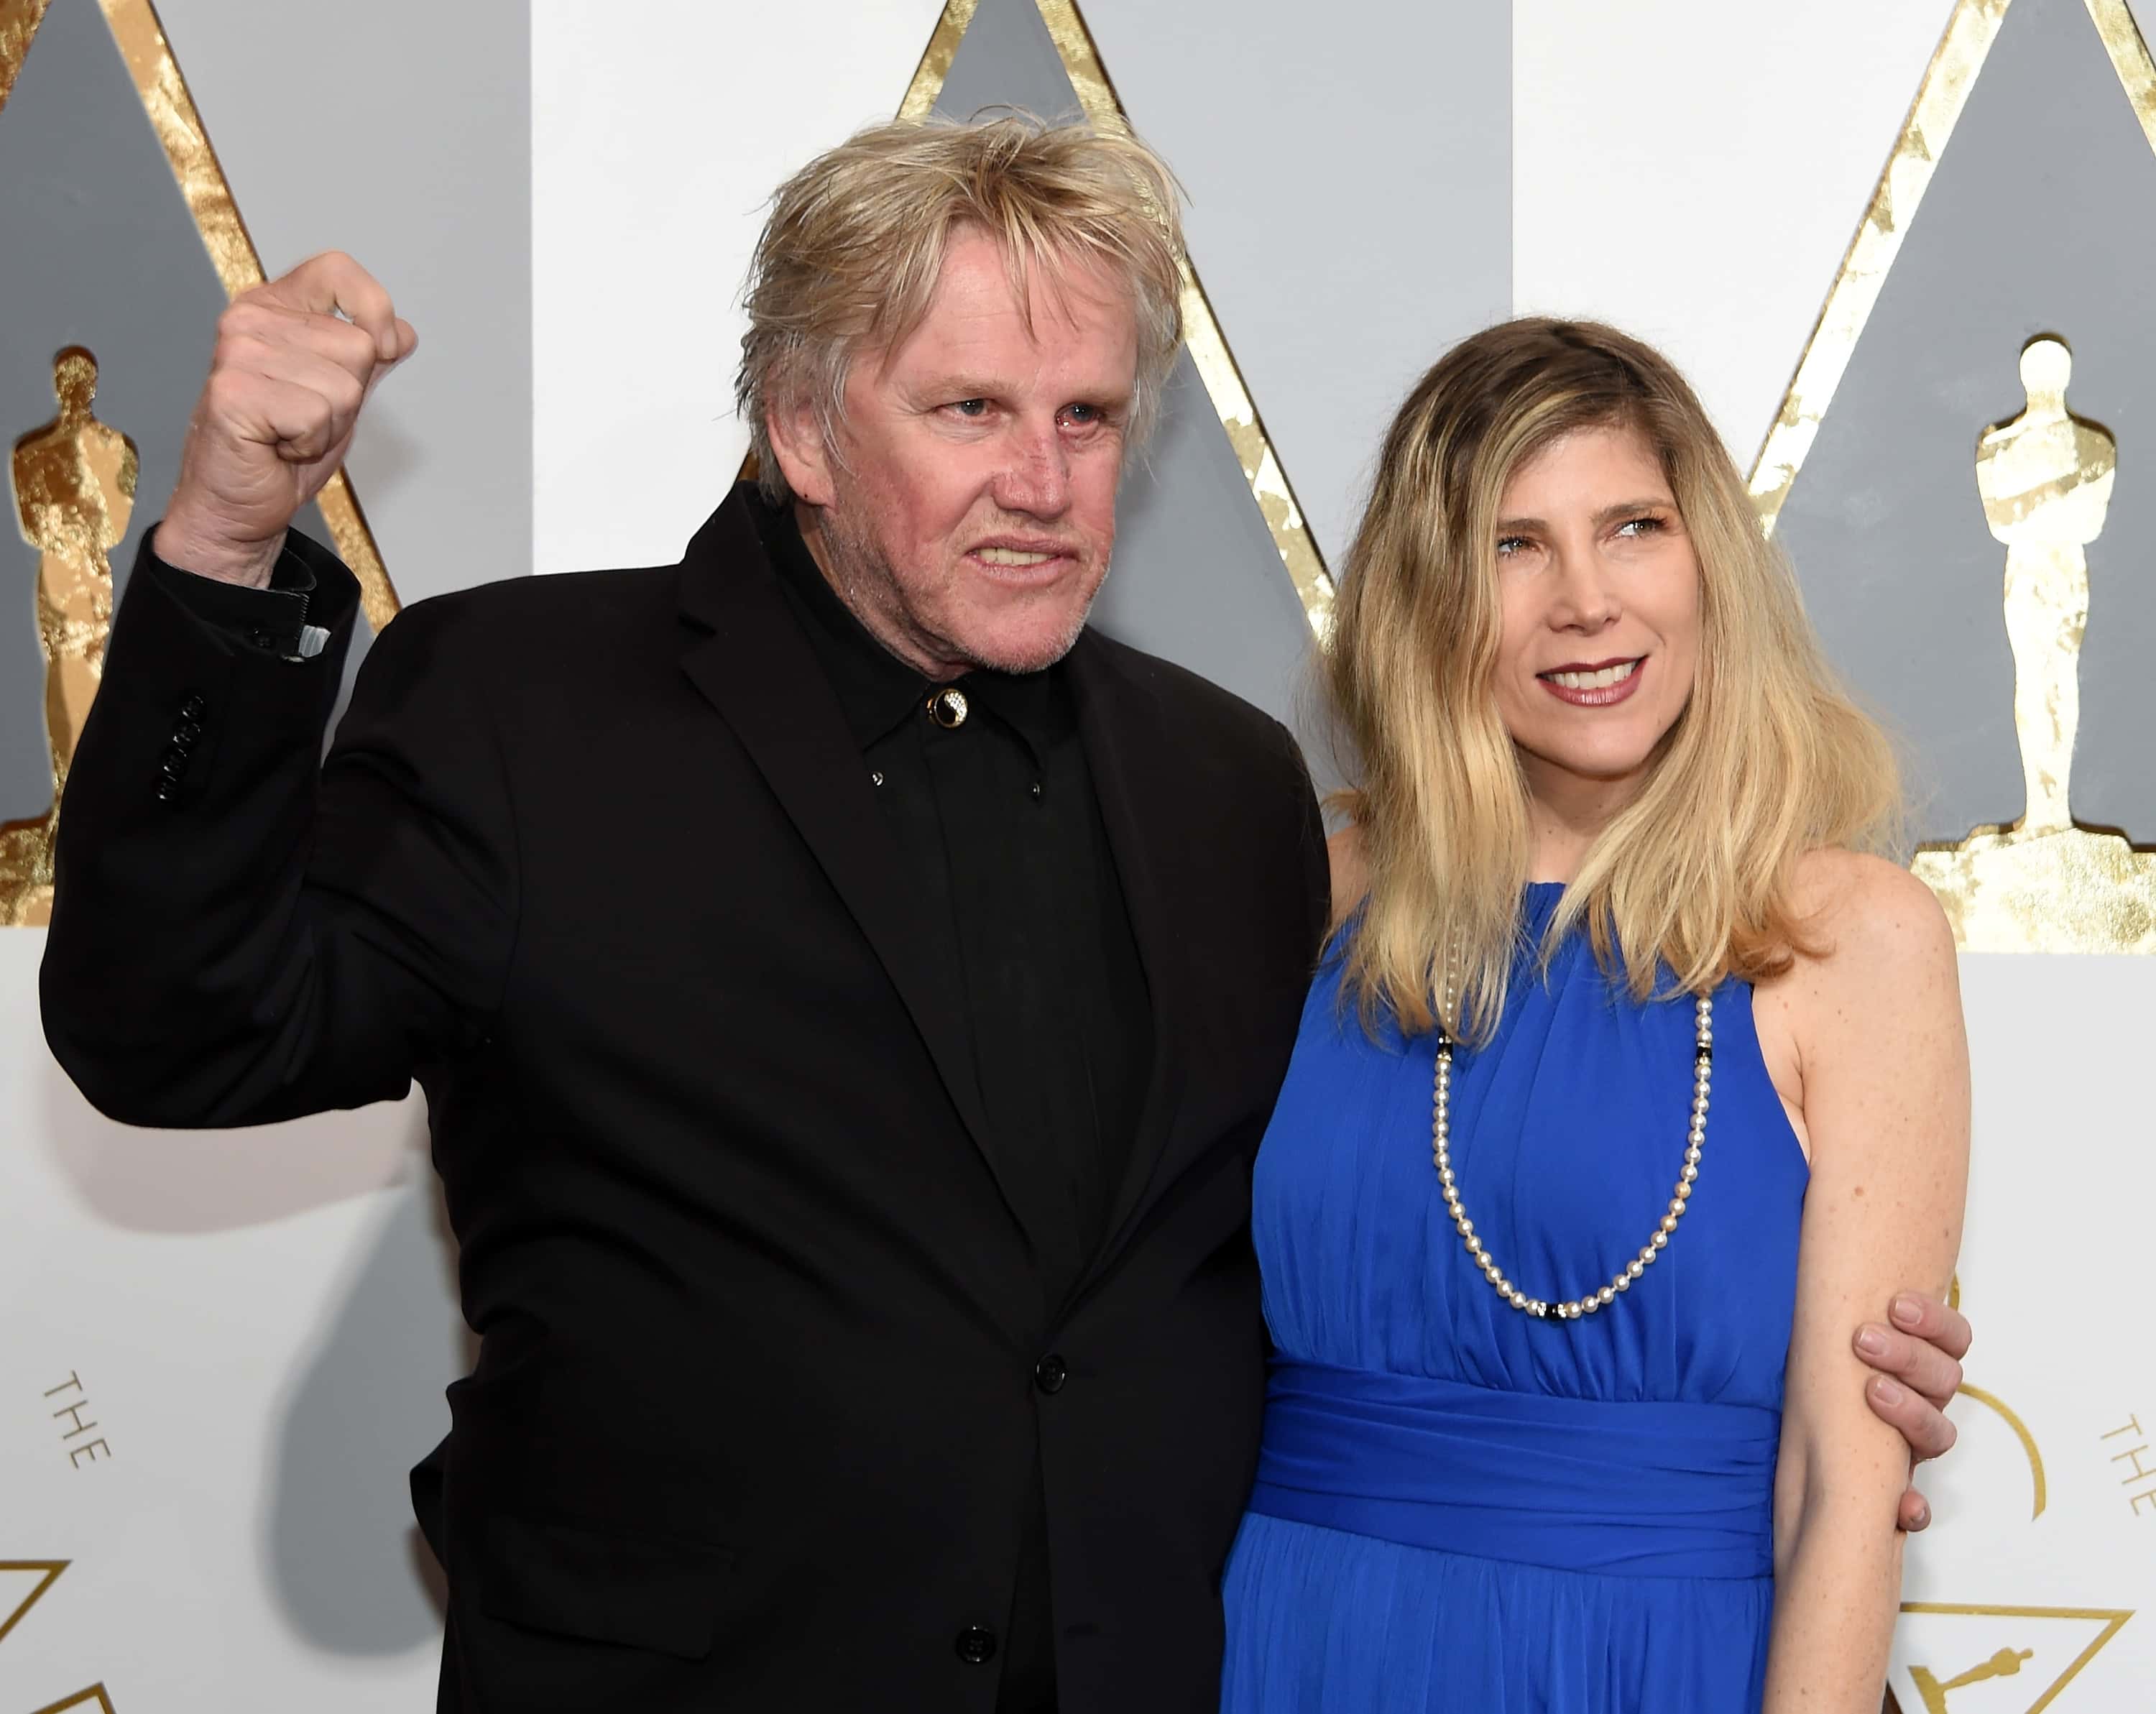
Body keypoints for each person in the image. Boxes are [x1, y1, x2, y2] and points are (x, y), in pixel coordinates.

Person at [37, 118, 1968, 1713]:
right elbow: (178, 1028)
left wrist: (1794, 1400)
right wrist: (227, 539)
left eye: (1089, 415)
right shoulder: (528, 705)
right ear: (804, 429)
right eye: (970, 406)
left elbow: (1272, 1254)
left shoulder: (1225, 789)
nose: (1043, 482)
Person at [1218, 319, 1971, 1712]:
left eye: (1634, 527)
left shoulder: (1851, 938)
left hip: (1663, 1663)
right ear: (1430, 597)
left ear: (1709, 562)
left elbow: (1838, 1490)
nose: (1586, 601)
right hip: (1299, 1641)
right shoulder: (1315, 897)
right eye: (1515, 545)